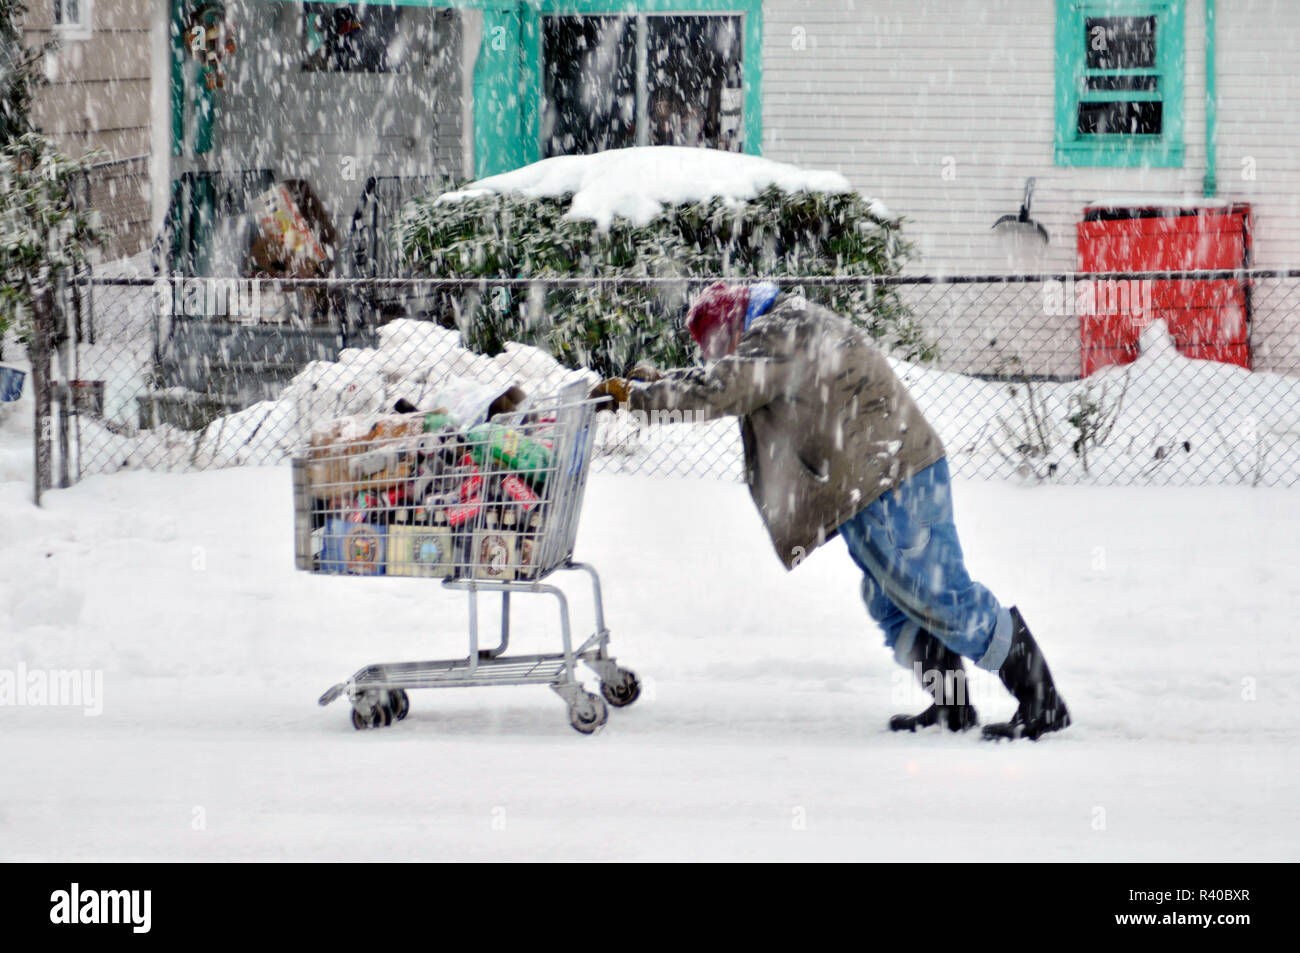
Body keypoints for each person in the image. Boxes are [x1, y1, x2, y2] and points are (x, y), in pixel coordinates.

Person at [589, 282, 1071, 740]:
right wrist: (657, 386)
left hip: (892, 477)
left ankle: (1041, 702)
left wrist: (639, 398)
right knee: (892, 601)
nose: (713, 356)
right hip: (874, 477)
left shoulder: (782, 333)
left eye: (713, 346)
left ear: (730, 328)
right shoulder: (783, 326)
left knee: (940, 595)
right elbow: (726, 378)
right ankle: (951, 706)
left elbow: (722, 388)